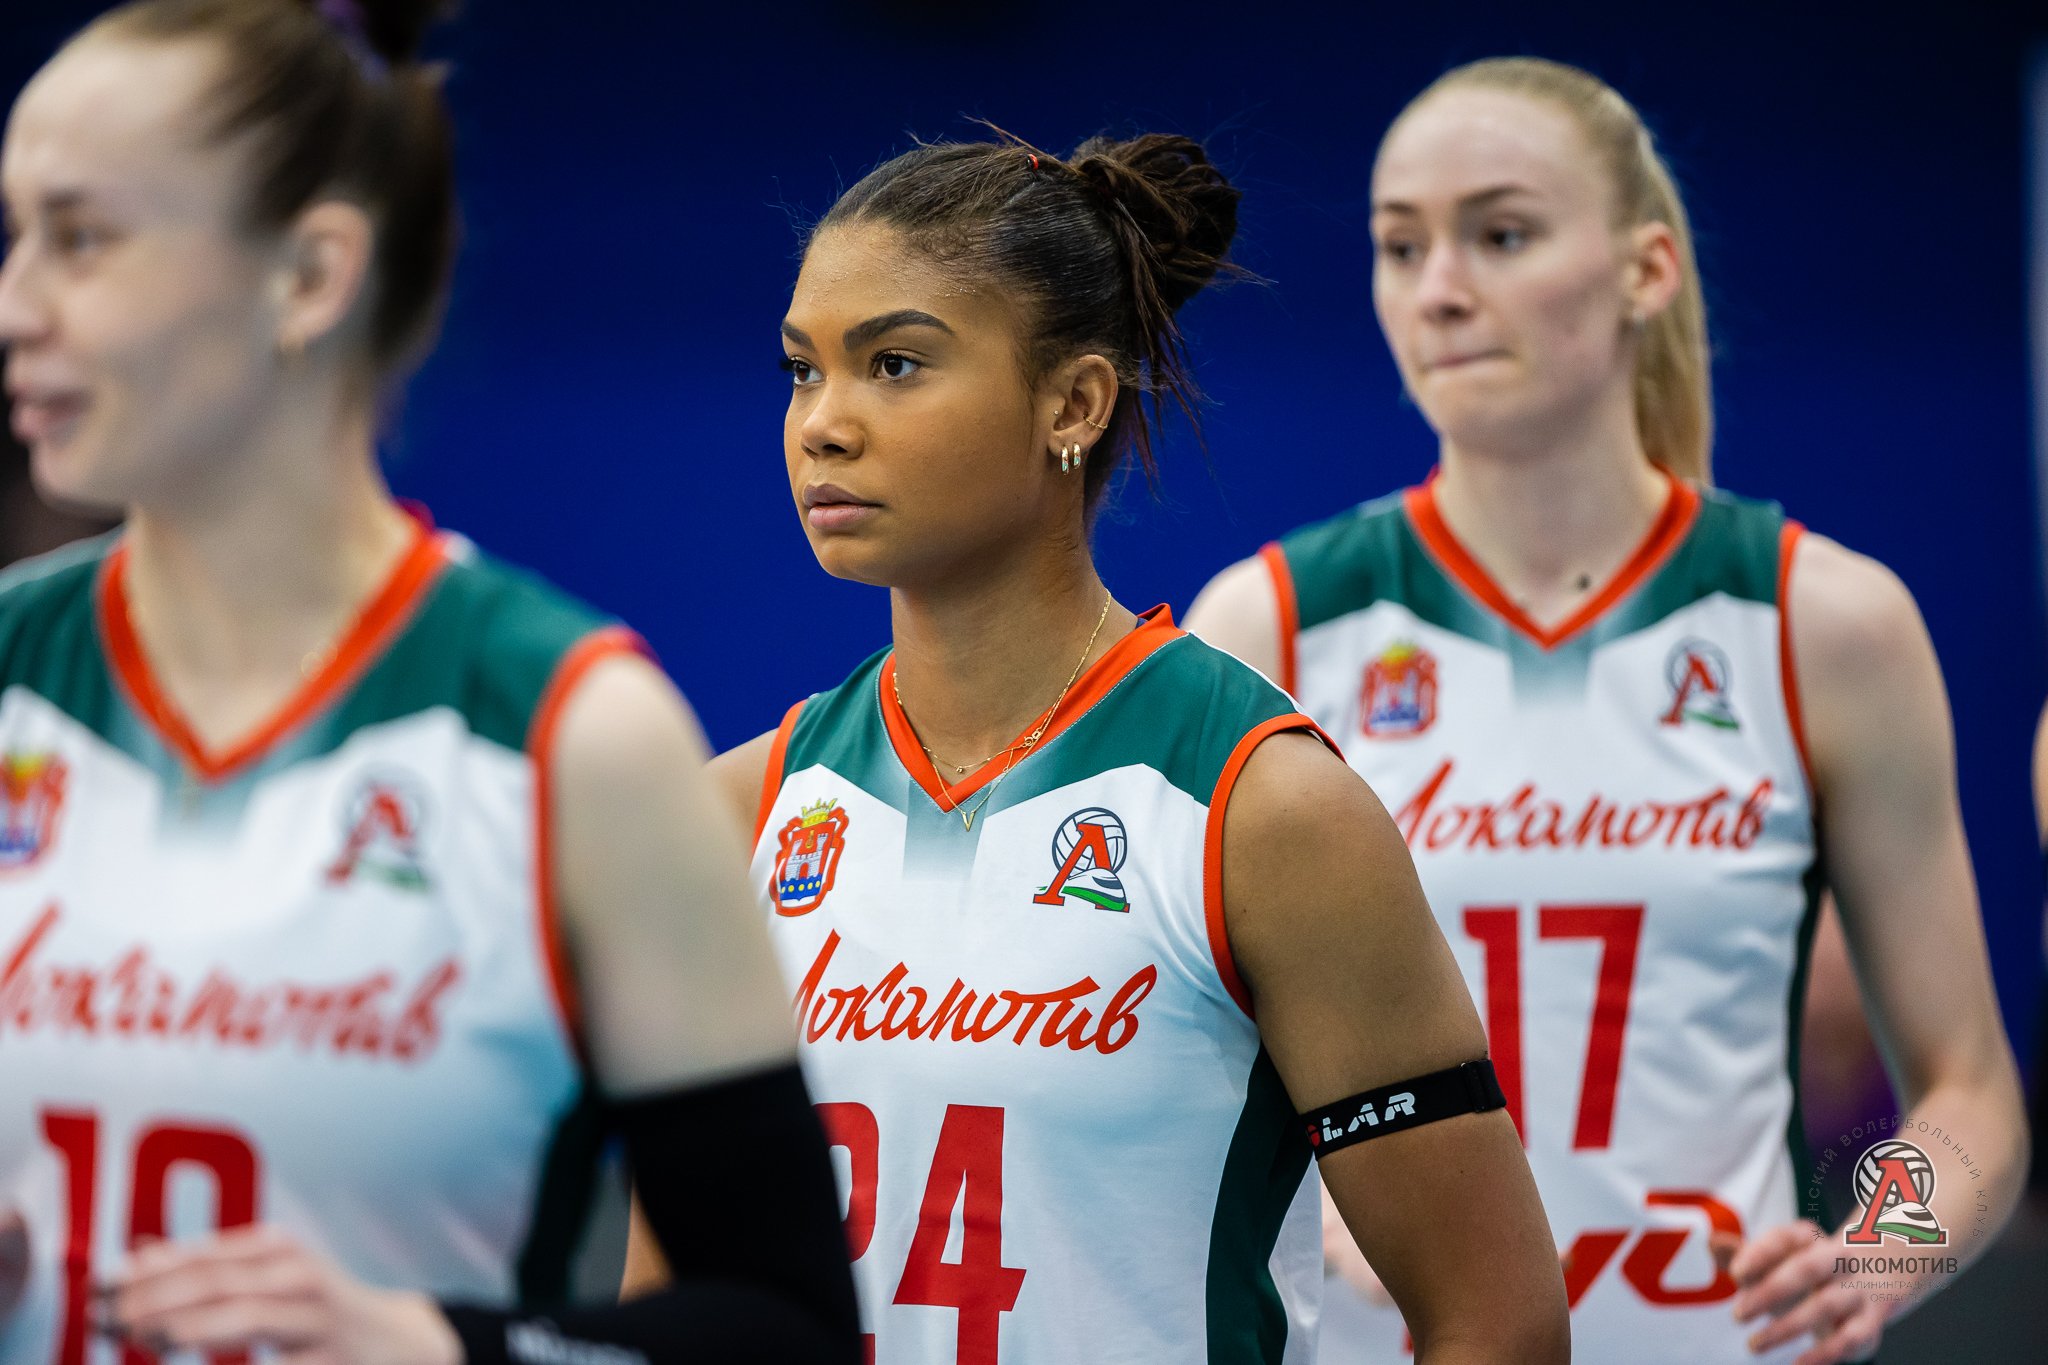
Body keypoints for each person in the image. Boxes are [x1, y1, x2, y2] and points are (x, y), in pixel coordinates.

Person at [624, 129, 1570, 1364]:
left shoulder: (1260, 811)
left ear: (1071, 402)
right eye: (803, 371)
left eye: (894, 364)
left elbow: (1500, 1323)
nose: (823, 425)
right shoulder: (736, 812)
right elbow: (669, 1309)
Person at [0, 2, 859, 1361]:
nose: (15, 307)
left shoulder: (574, 734)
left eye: (82, 239)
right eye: (14, 237)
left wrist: (448, 1346)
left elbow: (788, 1330)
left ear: (309, 275)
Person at [1186, 55, 2028, 1365]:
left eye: (1500, 235)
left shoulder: (1823, 622)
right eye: (1399, 247)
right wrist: (1295, 1180)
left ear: (1646, 270)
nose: (1438, 288)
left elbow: (1970, 1092)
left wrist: (1877, 1256)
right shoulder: (1270, 626)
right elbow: (1183, 1086)